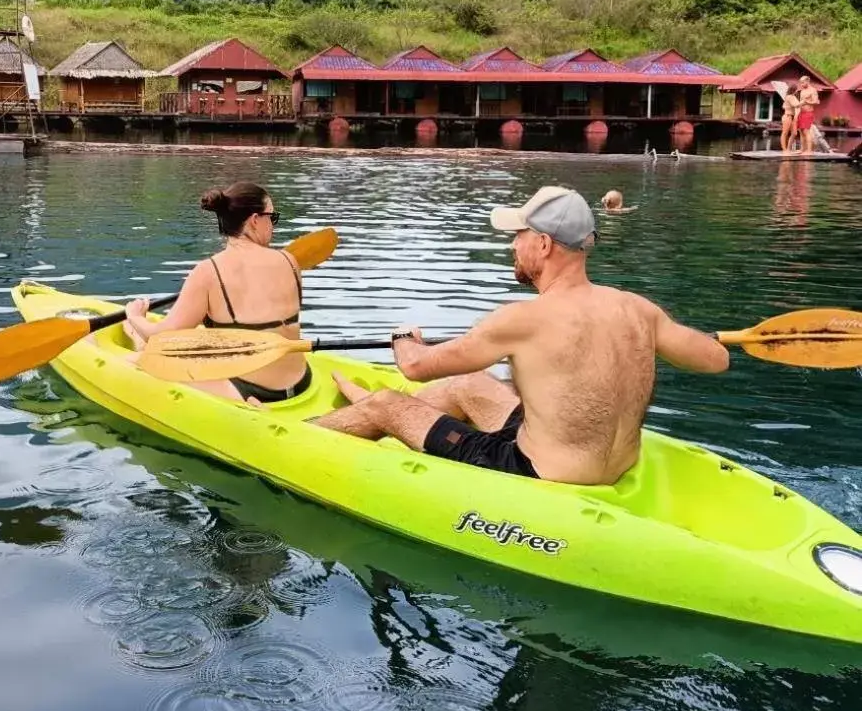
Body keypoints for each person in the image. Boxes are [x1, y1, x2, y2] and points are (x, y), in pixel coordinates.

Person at [313, 186, 729, 486]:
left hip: (535, 470)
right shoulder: (639, 310)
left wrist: (403, 334)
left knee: (388, 404)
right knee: (469, 383)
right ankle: (369, 412)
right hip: (612, 464)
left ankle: (307, 432)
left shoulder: (522, 319)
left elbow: (415, 366)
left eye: (519, 235)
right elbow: (716, 359)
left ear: (544, 244)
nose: (513, 245)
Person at [125, 181, 310, 404]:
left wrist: (134, 316)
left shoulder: (208, 271)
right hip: (301, 381)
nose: (273, 224)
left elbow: (162, 337)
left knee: (134, 361)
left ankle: (136, 341)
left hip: (248, 389)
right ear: (254, 220)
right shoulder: (289, 261)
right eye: (272, 217)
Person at [796, 76, 821, 154]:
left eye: (802, 82)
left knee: (806, 131)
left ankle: (809, 151)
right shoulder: (802, 91)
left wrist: (807, 102)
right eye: (800, 83)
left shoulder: (813, 90)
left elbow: (816, 102)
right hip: (801, 113)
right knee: (801, 131)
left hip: (808, 113)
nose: (801, 84)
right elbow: (801, 102)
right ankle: (802, 149)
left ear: (807, 81)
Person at [780, 85, 800, 154]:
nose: (797, 91)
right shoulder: (789, 97)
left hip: (793, 117)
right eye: (796, 90)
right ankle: (784, 149)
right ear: (793, 90)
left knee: (794, 133)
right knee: (785, 133)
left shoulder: (793, 97)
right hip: (787, 116)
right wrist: (804, 102)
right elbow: (796, 105)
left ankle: (788, 148)